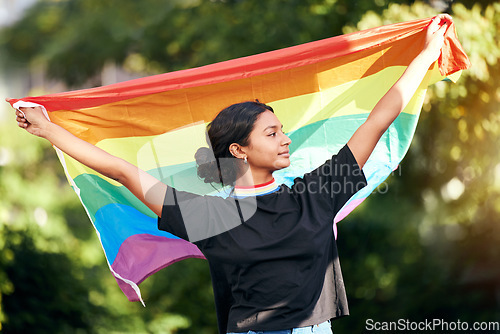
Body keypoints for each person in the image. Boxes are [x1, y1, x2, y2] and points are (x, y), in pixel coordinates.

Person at [12, 15, 451, 334]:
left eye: (283, 131)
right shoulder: (209, 216)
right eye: (274, 132)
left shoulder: (314, 193)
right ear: (239, 149)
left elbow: (377, 121)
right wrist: (49, 129)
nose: (286, 141)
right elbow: (123, 170)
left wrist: (426, 53)